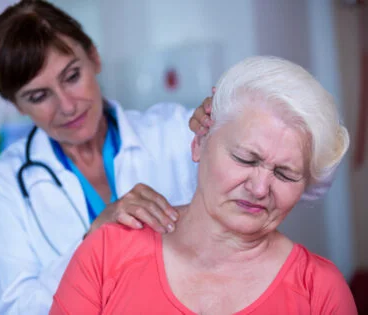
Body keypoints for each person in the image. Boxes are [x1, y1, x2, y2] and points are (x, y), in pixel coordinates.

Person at [51, 56, 358, 315]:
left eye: (285, 174)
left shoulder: (321, 291)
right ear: (198, 144)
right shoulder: (106, 253)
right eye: (246, 159)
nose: (260, 188)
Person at [0, 0, 212, 314]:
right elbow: (15, 308)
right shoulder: (7, 180)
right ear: (18, 105)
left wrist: (233, 125)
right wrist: (94, 238)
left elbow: (300, 180)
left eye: (72, 76)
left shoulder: (173, 131)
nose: (66, 105)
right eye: (38, 96)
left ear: (94, 58)